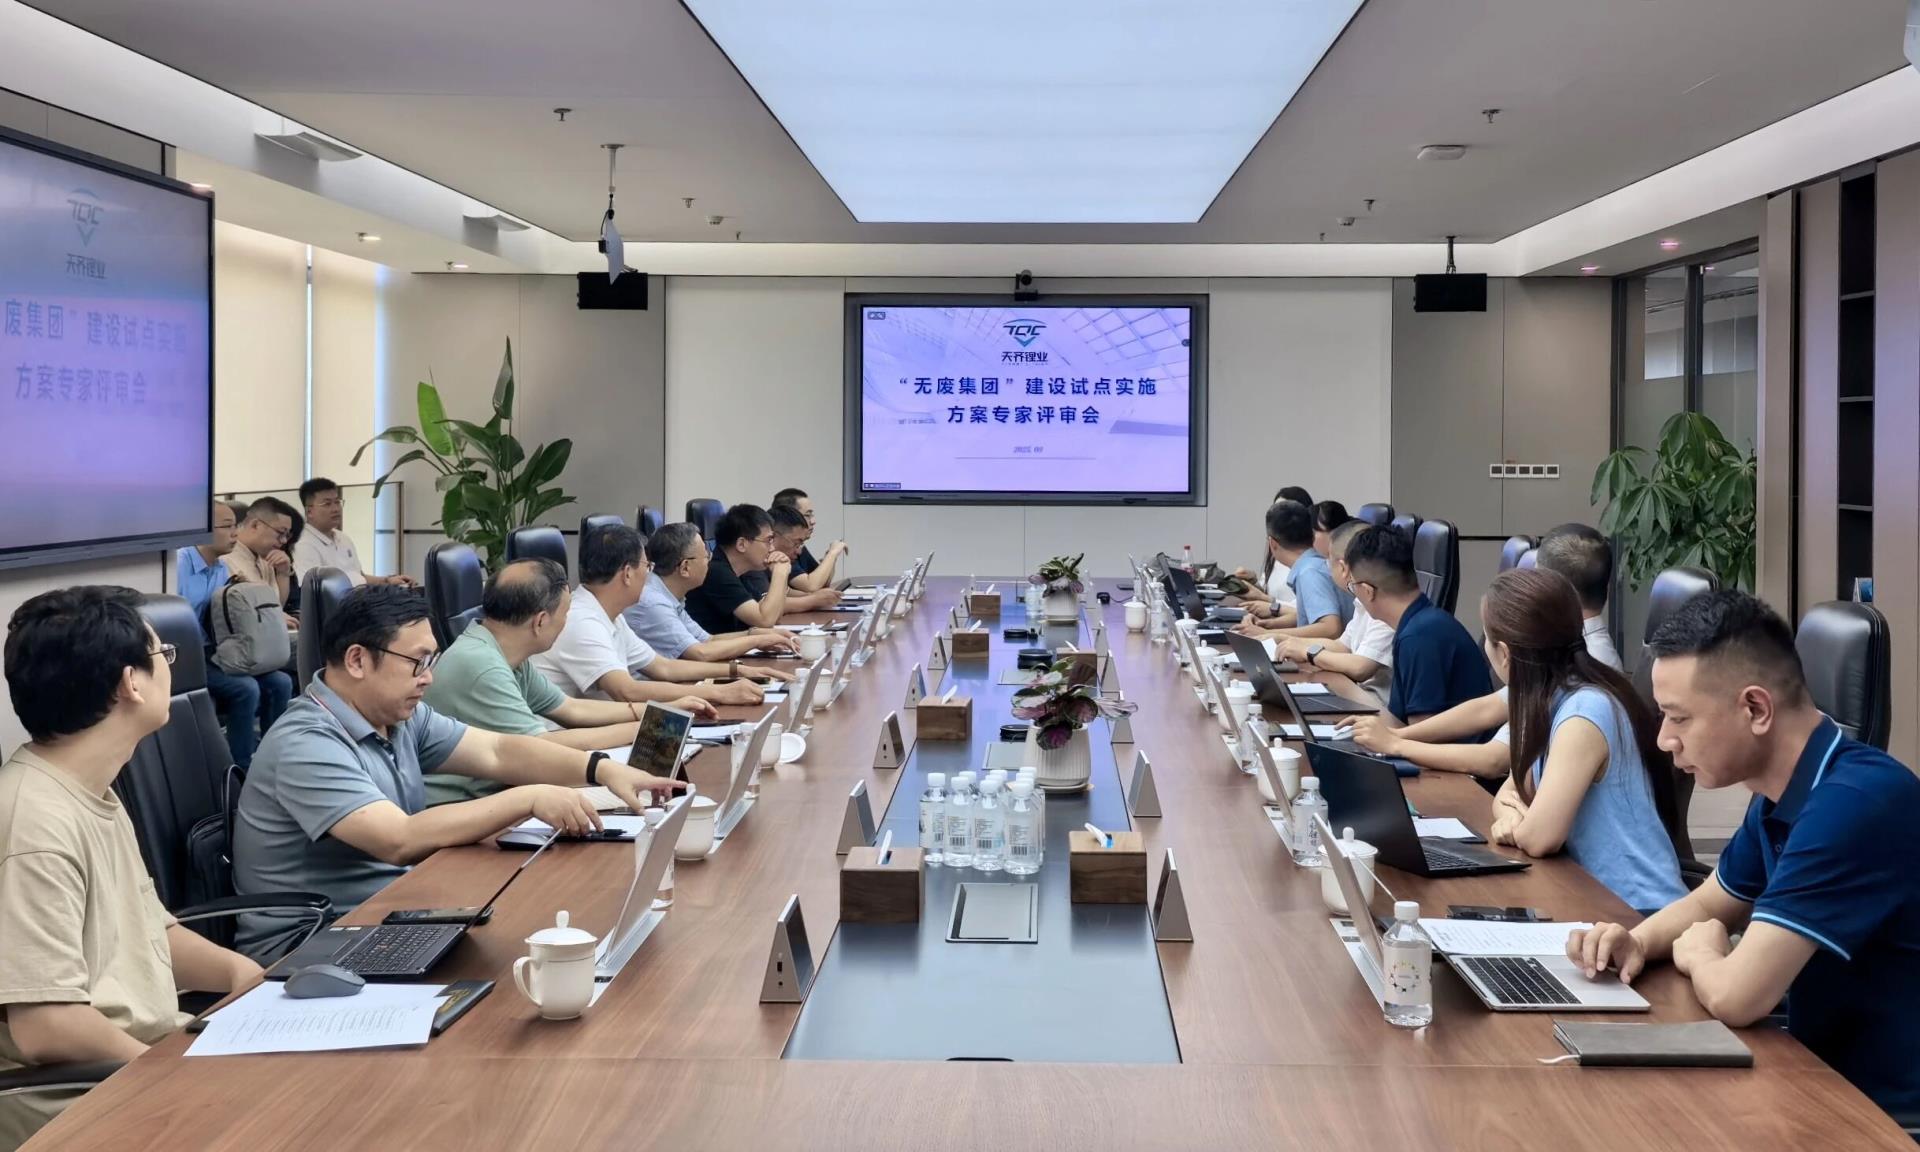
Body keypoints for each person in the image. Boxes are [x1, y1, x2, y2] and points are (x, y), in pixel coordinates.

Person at [1569, 591, 1920, 1120]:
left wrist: (1701, 953)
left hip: (1881, 1117)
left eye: (1678, 718)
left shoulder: (1853, 805)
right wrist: (1635, 941)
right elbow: (1709, 902)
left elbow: (1738, 996)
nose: (1664, 739)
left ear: (1756, 709)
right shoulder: (1783, 792)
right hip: (1815, 1075)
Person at [231, 586, 685, 959]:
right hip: (314, 945)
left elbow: (498, 750)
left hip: (392, 909)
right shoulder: (306, 741)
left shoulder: (397, 716)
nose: (428, 677)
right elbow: (398, 839)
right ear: (357, 660)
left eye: (431, 661)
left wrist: (601, 769)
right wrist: (529, 797)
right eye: (418, 662)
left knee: (548, 922)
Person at [0, 587, 264, 1147]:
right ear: (131, 683)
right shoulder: (34, 824)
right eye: (162, 654)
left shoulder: (90, 788)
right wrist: (165, 1073)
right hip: (83, 1102)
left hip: (140, 1065)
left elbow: (148, 929)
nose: (170, 666)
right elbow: (45, 1025)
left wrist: (242, 975)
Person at [420, 559, 718, 806]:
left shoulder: (505, 651)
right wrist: (650, 726)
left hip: (499, 794)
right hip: (459, 807)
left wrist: (659, 712)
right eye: (565, 614)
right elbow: (539, 746)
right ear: (540, 621)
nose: (567, 622)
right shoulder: (481, 665)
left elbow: (571, 709)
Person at [1345, 522, 1625, 777]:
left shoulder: (1580, 665)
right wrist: (1398, 736)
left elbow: (1496, 759)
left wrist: (1397, 743)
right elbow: (1487, 708)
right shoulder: (1568, 647)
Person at [1478, 569, 1684, 913]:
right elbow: (1509, 792)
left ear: (1504, 653)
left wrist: (1521, 823)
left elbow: (1540, 838)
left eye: (1485, 639)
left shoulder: (1583, 713)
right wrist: (1514, 817)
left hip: (1637, 912)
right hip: (1587, 896)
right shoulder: (1550, 700)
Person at [530, 524, 785, 707]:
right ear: (627, 573)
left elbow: (663, 667)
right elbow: (626, 691)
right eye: (646, 566)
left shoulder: (610, 614)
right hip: (567, 741)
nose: (650, 575)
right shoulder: (583, 620)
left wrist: (736, 671)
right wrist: (717, 692)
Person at [173, 502, 292, 769]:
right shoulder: (178, 564)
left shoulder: (222, 569)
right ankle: (240, 767)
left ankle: (274, 760)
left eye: (234, 526)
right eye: (227, 527)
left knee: (281, 682)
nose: (235, 534)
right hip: (187, 654)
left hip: (216, 650)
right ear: (202, 529)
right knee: (246, 688)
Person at [1342, 524, 1487, 723]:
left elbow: (1420, 734)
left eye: (1353, 586)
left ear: (1368, 591)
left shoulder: (1419, 637)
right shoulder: (1419, 623)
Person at [625, 523, 799, 662]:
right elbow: (701, 653)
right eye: (706, 556)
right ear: (685, 567)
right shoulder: (653, 602)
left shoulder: (669, 594)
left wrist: (755, 634)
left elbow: (707, 640)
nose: (710, 561)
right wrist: (756, 641)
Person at [1274, 518, 1392, 700]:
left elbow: (1360, 667)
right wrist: (1288, 641)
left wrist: (1308, 653)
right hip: (1356, 692)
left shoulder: (1383, 604)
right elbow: (1342, 646)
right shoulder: (1362, 600)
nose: (1325, 565)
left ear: (1343, 567)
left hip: (1375, 704)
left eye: (1328, 559)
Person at [1231, 500, 1349, 640]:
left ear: (1272, 543)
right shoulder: (1313, 565)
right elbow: (1309, 616)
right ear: (1312, 535)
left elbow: (1331, 628)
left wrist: (1268, 635)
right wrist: (1269, 625)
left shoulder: (1309, 572)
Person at [685, 504, 801, 635]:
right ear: (741, 544)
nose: (772, 548)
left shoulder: (741, 572)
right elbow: (765, 620)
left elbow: (775, 616)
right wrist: (780, 574)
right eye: (768, 541)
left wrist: (782, 574)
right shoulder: (716, 572)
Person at [292, 477, 413, 587]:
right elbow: (312, 590)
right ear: (309, 512)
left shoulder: (342, 537)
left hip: (358, 598)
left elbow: (360, 577)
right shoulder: (303, 544)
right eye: (327, 504)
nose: (335, 509)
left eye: (337, 502)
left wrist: (388, 580)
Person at [742, 503, 841, 609]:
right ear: (773, 536)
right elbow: (767, 605)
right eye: (796, 543)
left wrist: (818, 596)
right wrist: (813, 600)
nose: (799, 551)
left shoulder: (774, 560)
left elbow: (787, 592)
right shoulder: (754, 562)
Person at [1231, 485, 1312, 610]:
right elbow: (1267, 594)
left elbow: (1302, 611)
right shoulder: (1276, 553)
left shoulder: (1311, 566)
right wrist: (1253, 582)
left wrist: (1268, 603)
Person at [223, 496, 298, 607]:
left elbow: (277, 606)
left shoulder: (266, 557)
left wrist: (283, 573)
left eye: (287, 535)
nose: (284, 540)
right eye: (281, 532)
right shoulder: (225, 558)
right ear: (255, 525)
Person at [770, 487, 848, 591]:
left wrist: (830, 557)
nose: (813, 521)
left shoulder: (797, 547)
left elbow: (823, 583)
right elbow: (811, 585)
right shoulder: (780, 551)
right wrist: (832, 553)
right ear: (791, 515)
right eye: (807, 515)